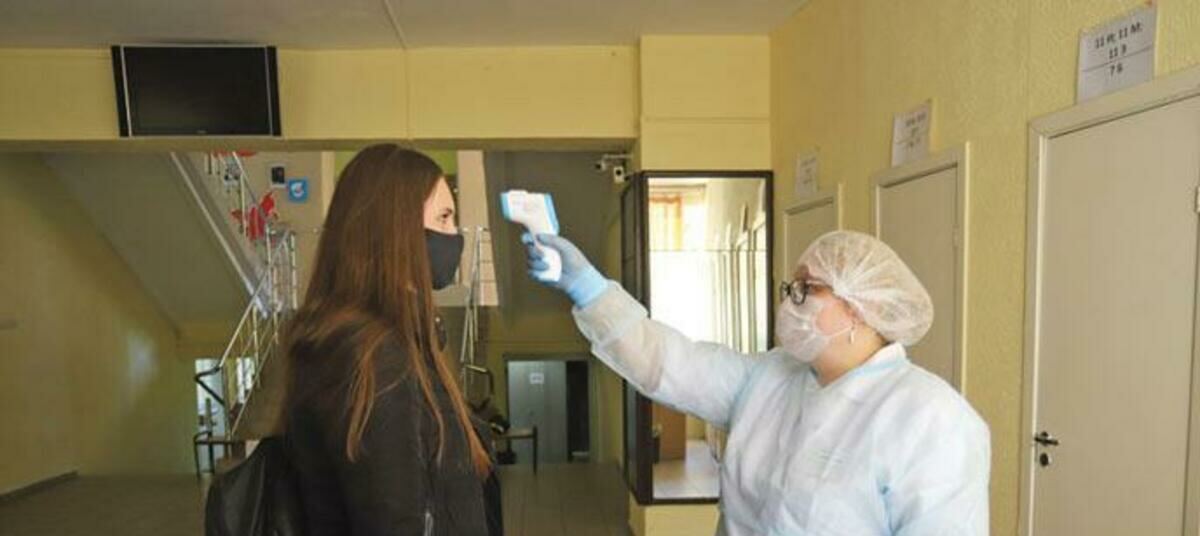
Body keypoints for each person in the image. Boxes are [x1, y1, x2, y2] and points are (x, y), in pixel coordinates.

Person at [523, 230, 990, 535]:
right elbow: (668, 363)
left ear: (859, 307)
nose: (790, 304)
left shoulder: (931, 419)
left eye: (806, 290)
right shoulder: (771, 377)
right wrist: (589, 289)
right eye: (791, 289)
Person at [283, 145, 496, 535]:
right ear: (395, 229)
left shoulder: (398, 342)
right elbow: (393, 518)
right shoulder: (375, 355)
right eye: (444, 217)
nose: (455, 235)